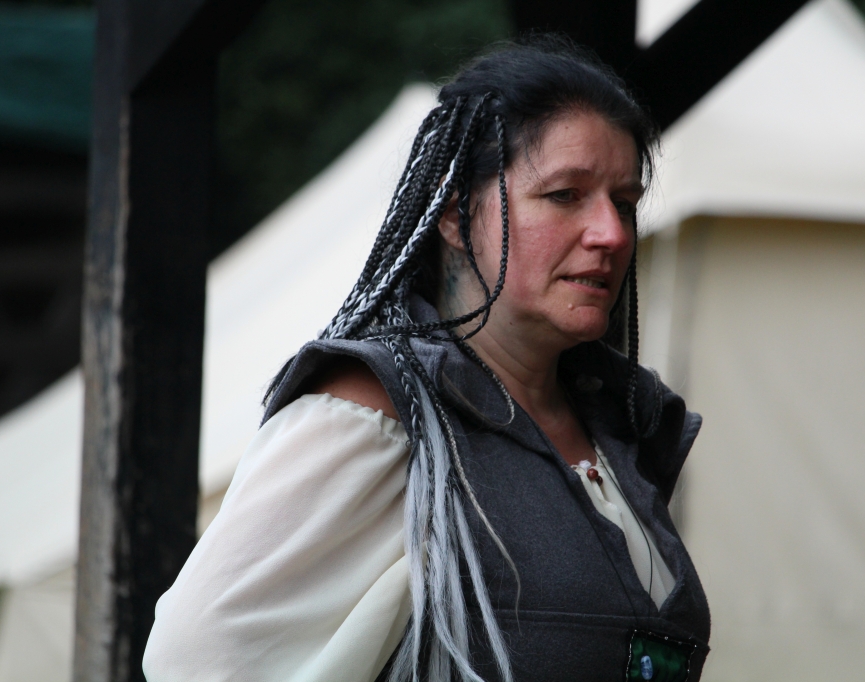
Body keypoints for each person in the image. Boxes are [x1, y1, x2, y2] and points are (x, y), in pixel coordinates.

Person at [143, 37, 710, 682]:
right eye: (564, 194)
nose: (610, 233)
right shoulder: (380, 411)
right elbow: (195, 659)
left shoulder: (622, 428)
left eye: (625, 203)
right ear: (455, 214)